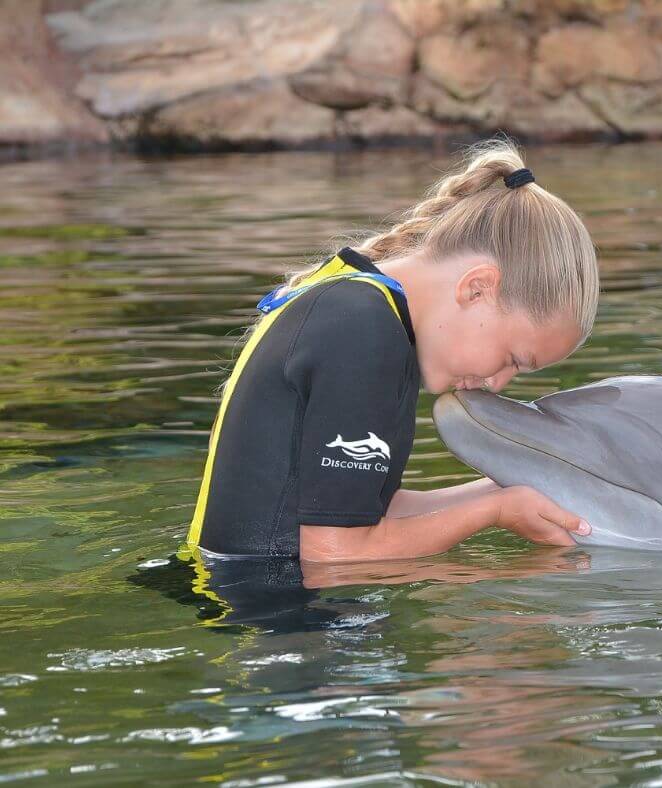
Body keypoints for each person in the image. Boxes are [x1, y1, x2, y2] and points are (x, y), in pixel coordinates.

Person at [185, 137, 599, 563]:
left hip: (244, 604)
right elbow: (332, 555)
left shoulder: (360, 308)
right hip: (277, 615)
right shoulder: (365, 332)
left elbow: (361, 512)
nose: (498, 383)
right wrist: (494, 517)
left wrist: (506, 490)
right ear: (477, 288)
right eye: (514, 359)